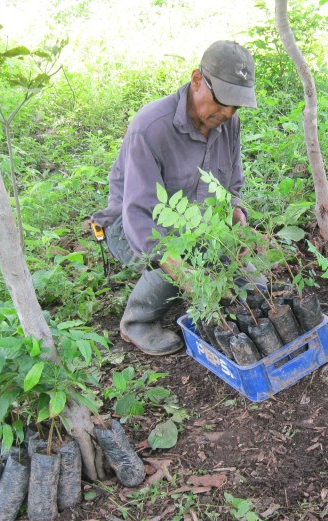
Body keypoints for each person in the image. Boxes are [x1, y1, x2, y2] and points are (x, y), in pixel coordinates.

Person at [91, 41, 257, 355]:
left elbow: (231, 188)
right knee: (181, 255)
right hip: (131, 227)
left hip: (195, 220)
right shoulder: (150, 127)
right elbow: (139, 214)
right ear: (197, 80)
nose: (228, 112)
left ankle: (208, 272)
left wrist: (238, 223)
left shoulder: (228, 122)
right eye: (223, 101)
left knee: (238, 269)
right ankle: (136, 323)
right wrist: (181, 271)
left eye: (237, 105)